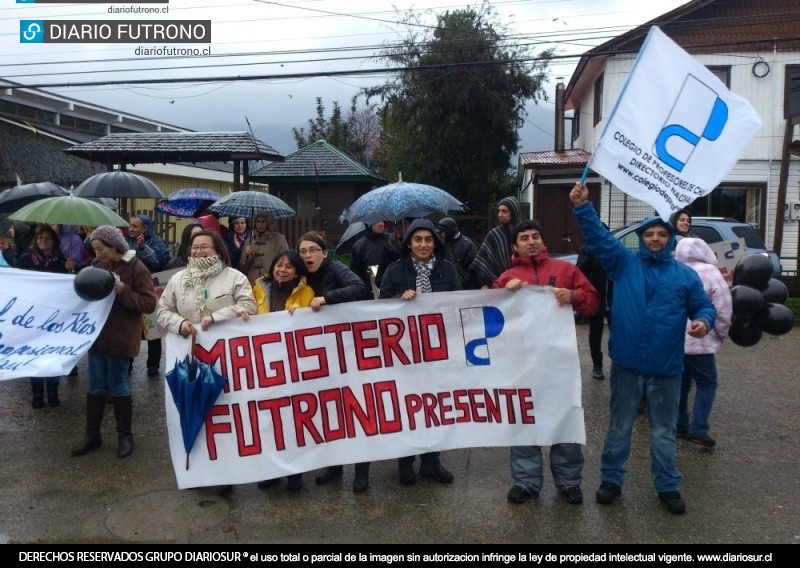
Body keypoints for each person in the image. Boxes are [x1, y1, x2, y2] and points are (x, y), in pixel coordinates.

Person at [570, 182, 716, 515]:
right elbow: (599, 240)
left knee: (663, 432)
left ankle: (668, 486)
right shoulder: (623, 264)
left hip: (666, 369)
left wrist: (704, 322)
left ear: (670, 239)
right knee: (619, 426)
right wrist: (582, 208)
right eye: (648, 234)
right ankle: (611, 480)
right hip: (626, 365)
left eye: (661, 234)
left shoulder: (685, 276)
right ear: (640, 237)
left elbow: (705, 307)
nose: (654, 239)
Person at [493, 220, 600, 506]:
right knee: (524, 419)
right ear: (514, 246)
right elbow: (489, 313)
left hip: (559, 365)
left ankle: (568, 483)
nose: (531, 241)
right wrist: (504, 293)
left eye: (535, 236)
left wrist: (574, 296)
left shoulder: (566, 271)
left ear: (542, 241)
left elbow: (592, 302)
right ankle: (526, 482)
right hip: (521, 365)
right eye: (524, 238)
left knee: (565, 419)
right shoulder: (507, 277)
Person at [157, 229, 257, 495]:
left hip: (225, 360)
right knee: (192, 409)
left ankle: (225, 472)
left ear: (218, 250)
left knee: (224, 414)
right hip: (188, 357)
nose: (198, 252)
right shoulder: (178, 279)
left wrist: (217, 317)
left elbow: (249, 305)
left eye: (205, 247)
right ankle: (197, 470)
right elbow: (163, 310)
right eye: (194, 247)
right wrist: (181, 324)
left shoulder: (235, 278)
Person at [379, 219, 462, 486]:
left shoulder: (448, 270)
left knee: (433, 407)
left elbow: (460, 303)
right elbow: (379, 309)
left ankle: (431, 461)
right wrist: (398, 302)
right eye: (418, 240)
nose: (423, 244)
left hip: (438, 351)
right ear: (409, 244)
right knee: (407, 407)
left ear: (435, 243)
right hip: (405, 353)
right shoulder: (394, 271)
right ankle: (405, 461)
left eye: (428, 240)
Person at [71, 226, 157, 459]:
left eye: (101, 249)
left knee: (118, 384)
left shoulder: (137, 267)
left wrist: (122, 290)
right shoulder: (98, 265)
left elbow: (149, 304)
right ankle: (92, 435)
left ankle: (124, 436)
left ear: (114, 246)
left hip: (120, 335)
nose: (97, 254)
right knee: (94, 385)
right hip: (98, 334)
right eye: (95, 249)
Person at [296, 232, 373, 492]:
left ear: (324, 253)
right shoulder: (302, 275)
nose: (307, 255)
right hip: (322, 354)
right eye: (303, 251)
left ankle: (362, 469)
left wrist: (327, 299)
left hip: (350, 349)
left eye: (313, 250)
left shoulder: (337, 268)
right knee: (329, 410)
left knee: (358, 409)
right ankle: (334, 465)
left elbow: (360, 287)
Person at [252, 250, 314, 491]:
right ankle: (271, 470)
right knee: (268, 420)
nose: (283, 270)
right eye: (279, 264)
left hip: (293, 364)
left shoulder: (306, 291)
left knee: (292, 420)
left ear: (297, 271)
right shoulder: (258, 287)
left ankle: (295, 472)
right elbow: (248, 311)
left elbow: (311, 323)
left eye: (289, 267)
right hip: (265, 364)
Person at [675, 237, 733, 449]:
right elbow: (723, 306)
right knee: (707, 383)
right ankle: (698, 428)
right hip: (701, 338)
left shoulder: (674, 270)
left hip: (674, 339)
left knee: (681, 383)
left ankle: (679, 425)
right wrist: (721, 332)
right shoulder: (710, 272)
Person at [15, 225, 73, 408]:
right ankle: (37, 392)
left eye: (47, 238)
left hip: (55, 317)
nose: (43, 241)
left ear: (54, 241)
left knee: (51, 354)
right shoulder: (26, 260)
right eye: (40, 238)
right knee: (35, 354)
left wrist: (71, 269)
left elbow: (69, 287)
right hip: (32, 316)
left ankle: (53, 391)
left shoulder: (62, 261)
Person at [126, 213, 170, 377]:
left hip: (149, 290)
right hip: (130, 290)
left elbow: (159, 261)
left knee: (152, 331)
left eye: (135, 226)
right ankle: (127, 364)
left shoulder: (156, 241)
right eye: (130, 225)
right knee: (131, 328)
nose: (131, 229)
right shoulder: (125, 241)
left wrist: (143, 248)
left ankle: (153, 366)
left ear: (145, 228)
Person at [577, 242, 612, 380]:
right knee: (596, 334)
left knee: (618, 334)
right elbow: (580, 271)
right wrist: (591, 254)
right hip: (596, 300)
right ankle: (597, 365)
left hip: (613, 300)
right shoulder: (586, 250)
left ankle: (619, 363)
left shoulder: (612, 249)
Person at [469, 196, 521, 288]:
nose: (500, 215)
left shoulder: (523, 233)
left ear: (514, 212)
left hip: (524, 283)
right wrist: (484, 284)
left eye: (504, 211)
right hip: (499, 286)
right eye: (499, 211)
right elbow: (483, 262)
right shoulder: (494, 235)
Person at [240, 211, 289, 285]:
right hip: (253, 282)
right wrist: (247, 256)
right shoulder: (249, 241)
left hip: (272, 281)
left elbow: (286, 260)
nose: (260, 224)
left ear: (269, 223)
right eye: (258, 221)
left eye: (263, 221)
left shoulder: (279, 239)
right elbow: (243, 268)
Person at [436, 217, 479, 289]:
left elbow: (474, 271)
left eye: (441, 232)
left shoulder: (468, 245)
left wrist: (460, 286)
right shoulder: (444, 244)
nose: (440, 235)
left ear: (448, 231)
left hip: (465, 291)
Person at [349, 220, 389, 294]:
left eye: (383, 221)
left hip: (389, 288)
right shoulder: (359, 246)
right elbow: (355, 271)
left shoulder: (391, 240)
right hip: (367, 291)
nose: (381, 224)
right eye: (377, 221)